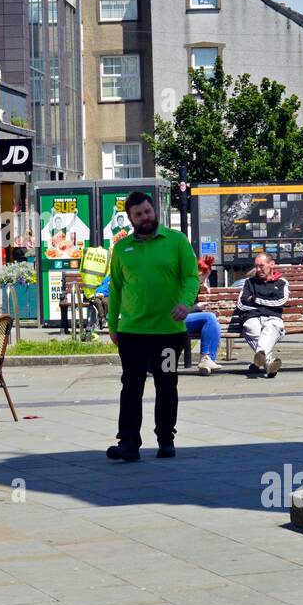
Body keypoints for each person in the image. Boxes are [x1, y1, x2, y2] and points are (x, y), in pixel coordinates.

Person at [105, 191, 198, 463]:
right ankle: (128, 443)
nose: (145, 217)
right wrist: (113, 326)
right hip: (133, 334)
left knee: (166, 385)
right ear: (131, 218)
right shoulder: (122, 249)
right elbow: (116, 289)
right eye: (138, 214)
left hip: (168, 334)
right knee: (131, 386)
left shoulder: (177, 241)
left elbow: (191, 276)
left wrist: (185, 303)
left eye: (147, 212)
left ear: (153, 211)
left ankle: (166, 438)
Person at [235, 253, 287, 377]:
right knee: (252, 328)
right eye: (256, 266)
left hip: (272, 318)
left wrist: (256, 300)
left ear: (272, 264)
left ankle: (260, 358)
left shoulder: (281, 282)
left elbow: (280, 301)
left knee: (270, 328)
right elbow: (241, 304)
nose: (258, 270)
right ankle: (268, 362)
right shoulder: (249, 282)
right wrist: (265, 306)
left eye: (261, 266)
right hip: (252, 318)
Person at [187, 255, 223, 375]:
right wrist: (196, 307)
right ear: (199, 274)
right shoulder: (184, 285)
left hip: (185, 320)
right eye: (205, 278)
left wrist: (204, 284)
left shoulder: (194, 283)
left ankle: (208, 362)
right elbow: (177, 309)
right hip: (173, 320)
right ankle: (205, 357)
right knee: (209, 317)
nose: (204, 281)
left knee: (216, 326)